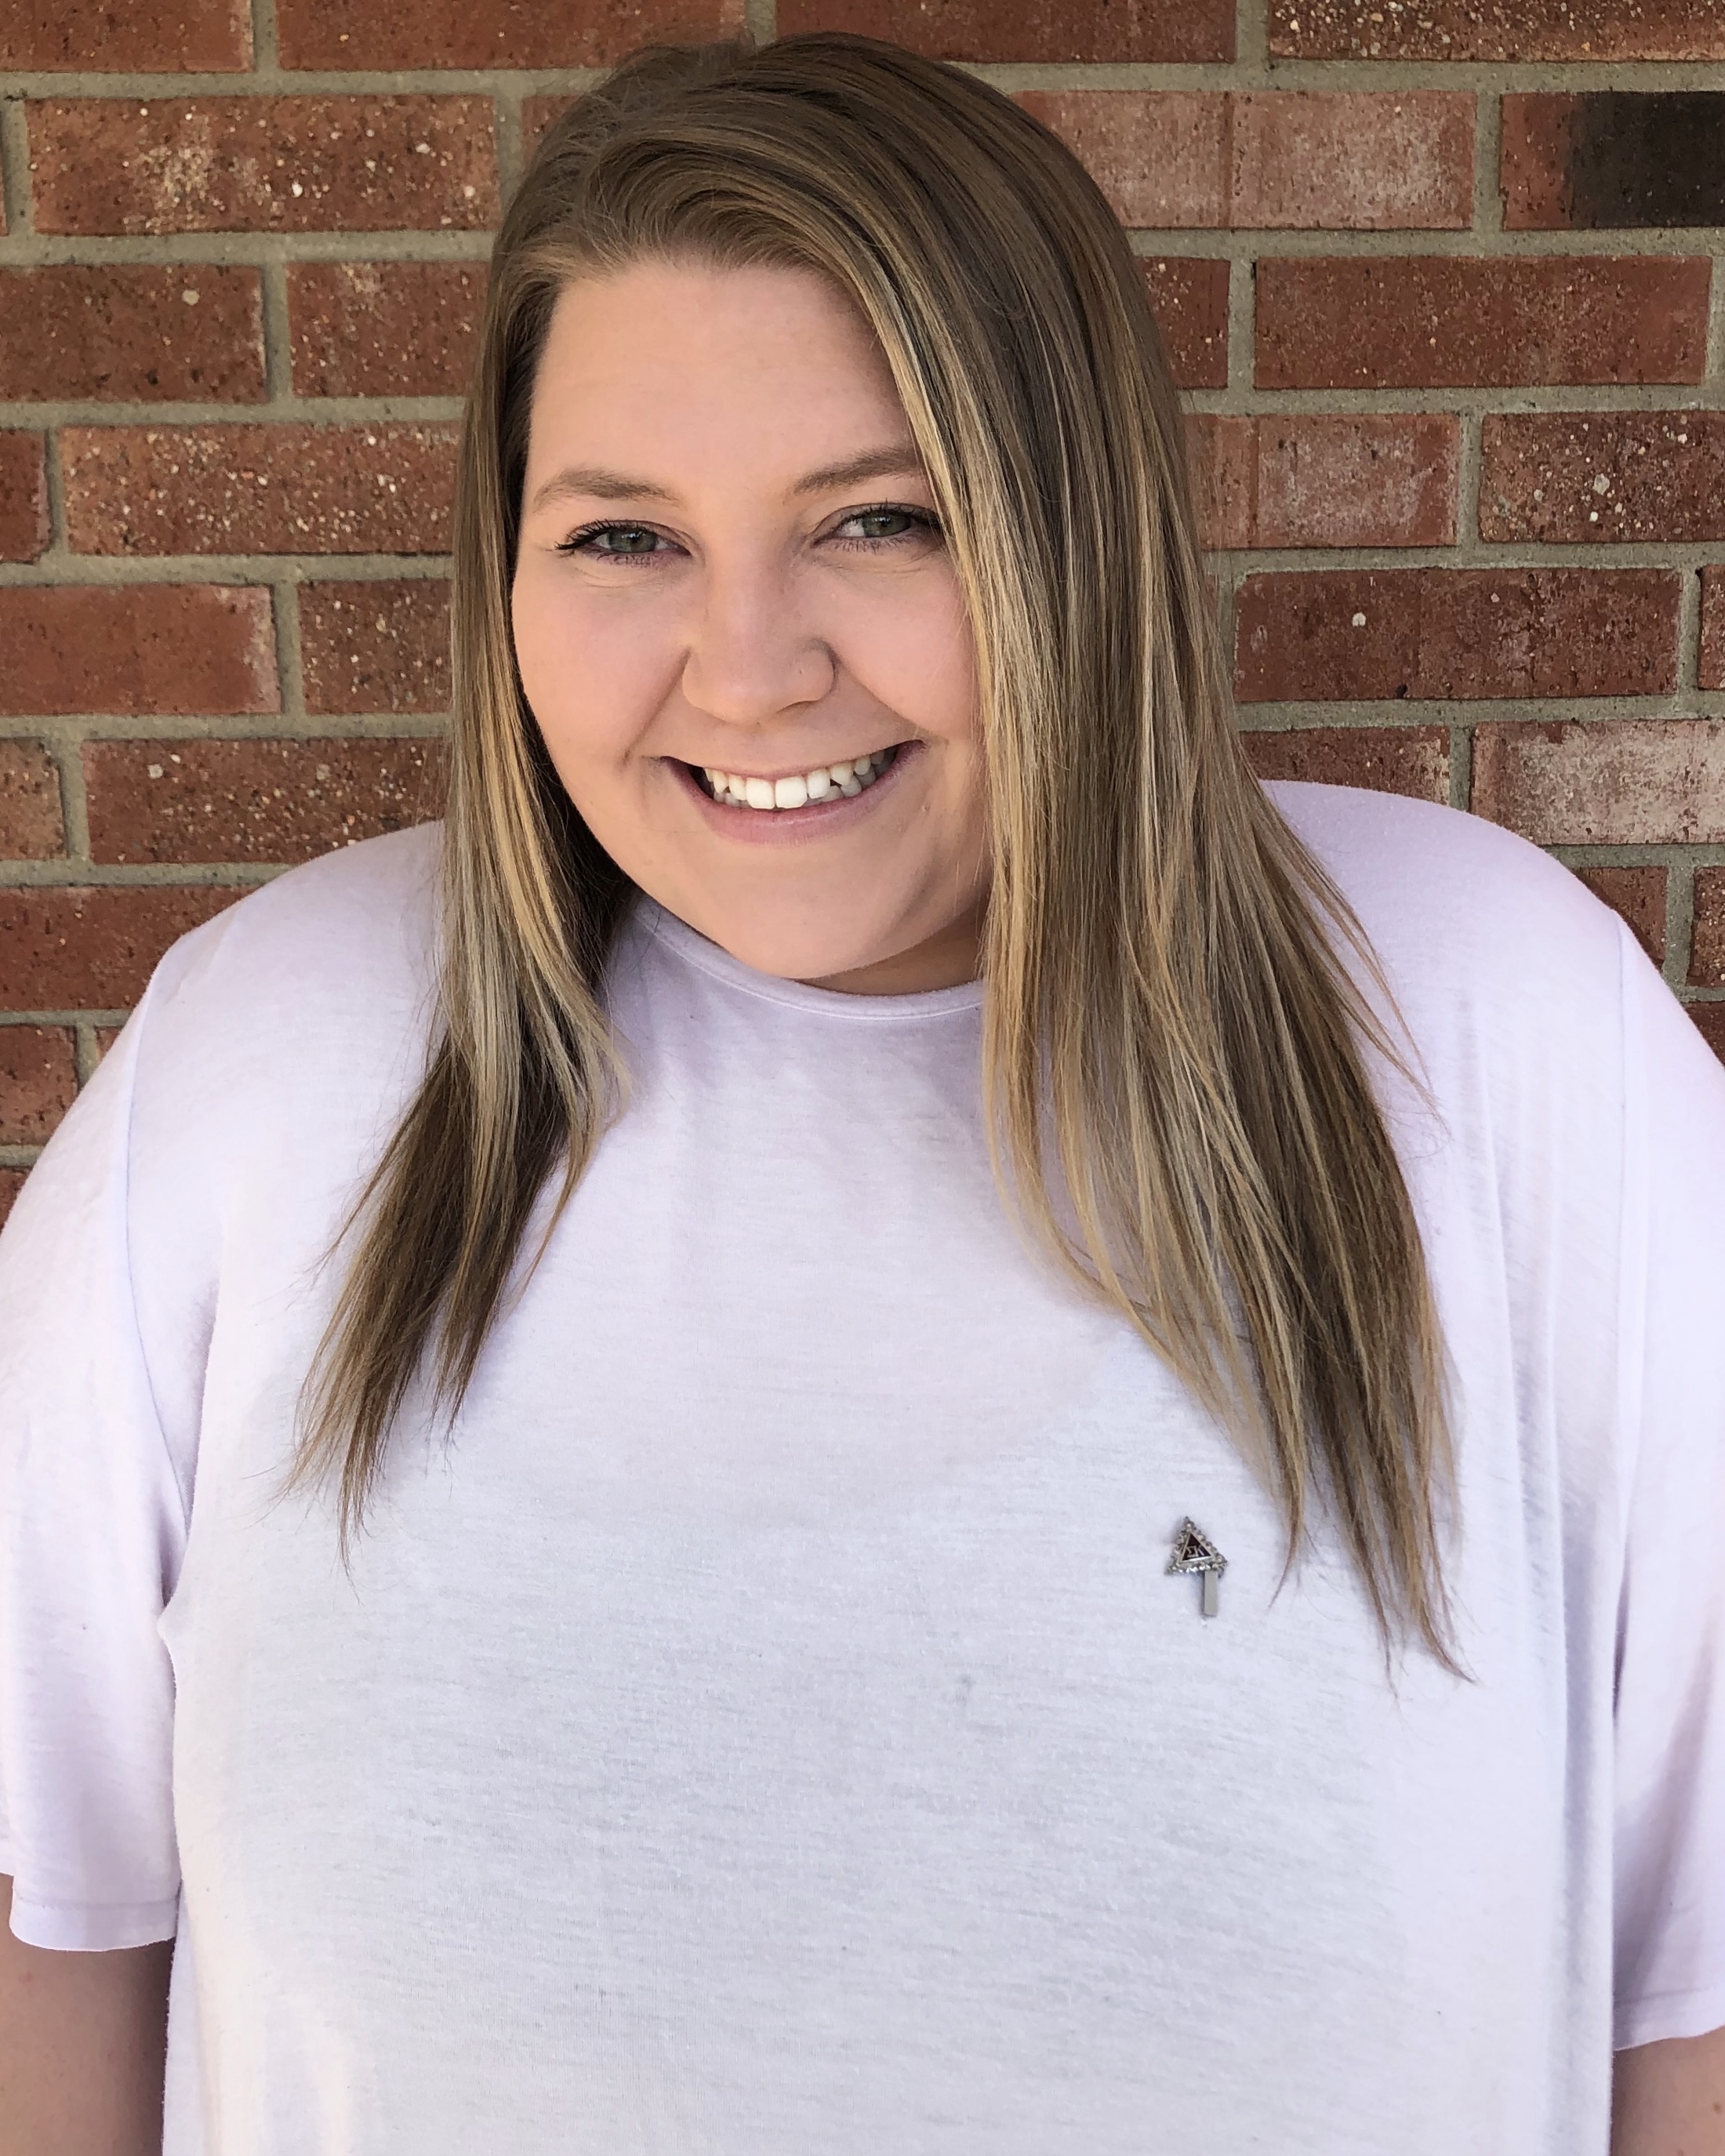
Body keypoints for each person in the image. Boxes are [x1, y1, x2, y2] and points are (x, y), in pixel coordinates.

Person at [1, 32, 1721, 2156]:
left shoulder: (1498, 1040)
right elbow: (55, 1928)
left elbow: (1696, 2009)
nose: (748, 669)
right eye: (623, 536)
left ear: (1076, 534)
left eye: (879, 520)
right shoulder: (264, 1065)